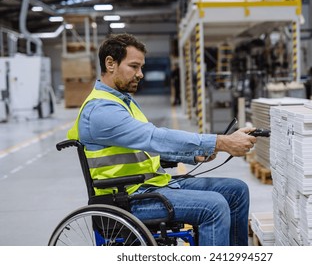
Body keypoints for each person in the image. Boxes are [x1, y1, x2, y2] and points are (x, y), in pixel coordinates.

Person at [67, 33, 258, 246]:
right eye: (134, 66)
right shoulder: (100, 110)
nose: (140, 74)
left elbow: (146, 148)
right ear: (110, 63)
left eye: (141, 67)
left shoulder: (120, 102)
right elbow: (154, 138)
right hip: (127, 198)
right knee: (214, 206)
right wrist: (220, 142)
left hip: (149, 187)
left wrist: (192, 155)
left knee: (237, 191)